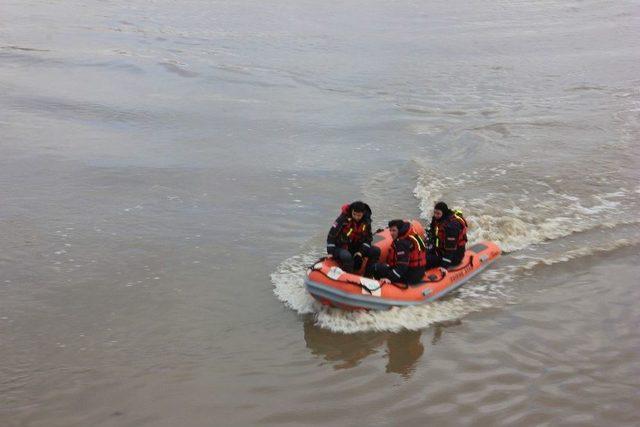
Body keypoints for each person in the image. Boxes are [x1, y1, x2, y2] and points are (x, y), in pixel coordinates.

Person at [367, 219, 427, 285]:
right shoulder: (409, 236)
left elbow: (402, 267)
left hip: (410, 276)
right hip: (417, 271)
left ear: (400, 230)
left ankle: (376, 286)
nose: (391, 233)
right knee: (382, 267)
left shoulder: (402, 243)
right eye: (390, 230)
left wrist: (389, 278)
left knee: (377, 268)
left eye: (394, 230)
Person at [326, 201, 374, 273]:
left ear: (363, 214)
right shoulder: (342, 219)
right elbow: (331, 236)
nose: (356, 217)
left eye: (359, 215)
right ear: (351, 211)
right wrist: (330, 252)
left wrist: (360, 252)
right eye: (354, 214)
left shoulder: (366, 222)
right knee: (347, 256)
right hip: (341, 247)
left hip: (356, 246)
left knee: (375, 251)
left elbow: (368, 239)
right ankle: (348, 277)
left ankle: (368, 274)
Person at [427, 202, 468, 268]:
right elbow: (432, 233)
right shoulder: (436, 220)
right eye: (434, 213)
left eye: (438, 213)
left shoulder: (451, 227)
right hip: (440, 250)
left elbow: (450, 250)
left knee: (427, 260)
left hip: (454, 256)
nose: (435, 215)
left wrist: (444, 266)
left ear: (444, 213)